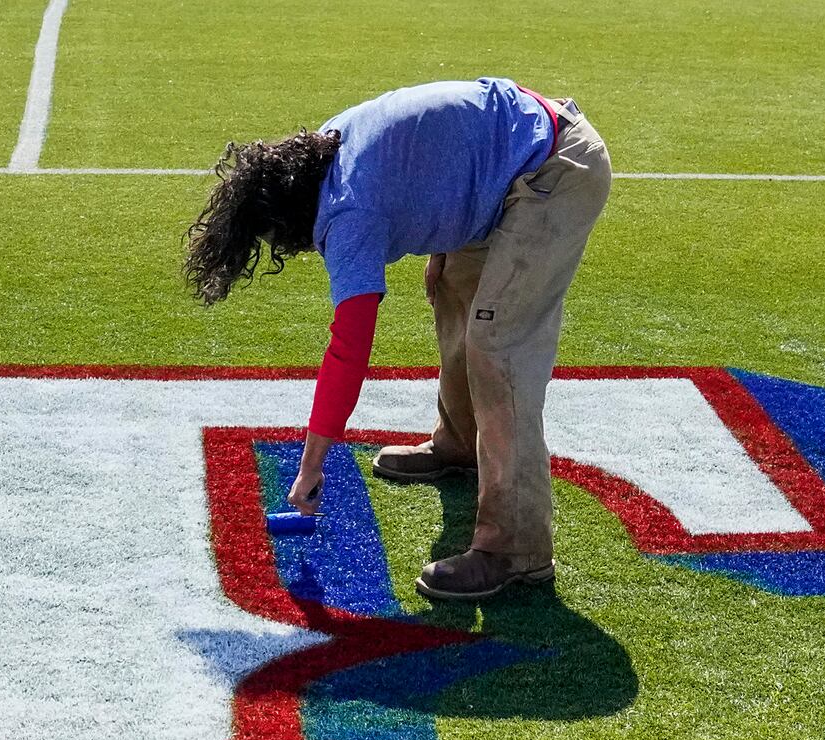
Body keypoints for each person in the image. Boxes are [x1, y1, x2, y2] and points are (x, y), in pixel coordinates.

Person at [185, 77, 613, 602]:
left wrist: (311, 467)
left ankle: (516, 551)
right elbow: (429, 158)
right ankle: (460, 445)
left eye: (278, 242)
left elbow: (349, 348)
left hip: (552, 171)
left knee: (498, 345)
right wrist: (446, 240)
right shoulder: (327, 148)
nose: (293, 252)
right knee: (453, 289)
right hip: (511, 159)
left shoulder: (348, 212)